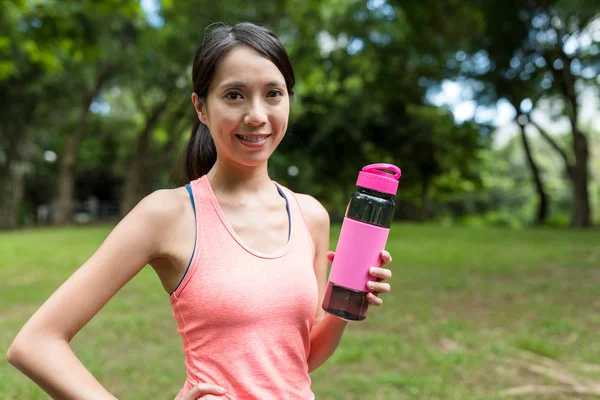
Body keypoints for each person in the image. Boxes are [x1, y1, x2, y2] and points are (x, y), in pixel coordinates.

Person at [7, 22, 393, 400]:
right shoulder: (167, 214)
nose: (257, 115)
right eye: (234, 95)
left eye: (273, 93)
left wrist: (345, 305)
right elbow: (35, 344)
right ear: (201, 108)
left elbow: (297, 359)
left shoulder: (310, 215)